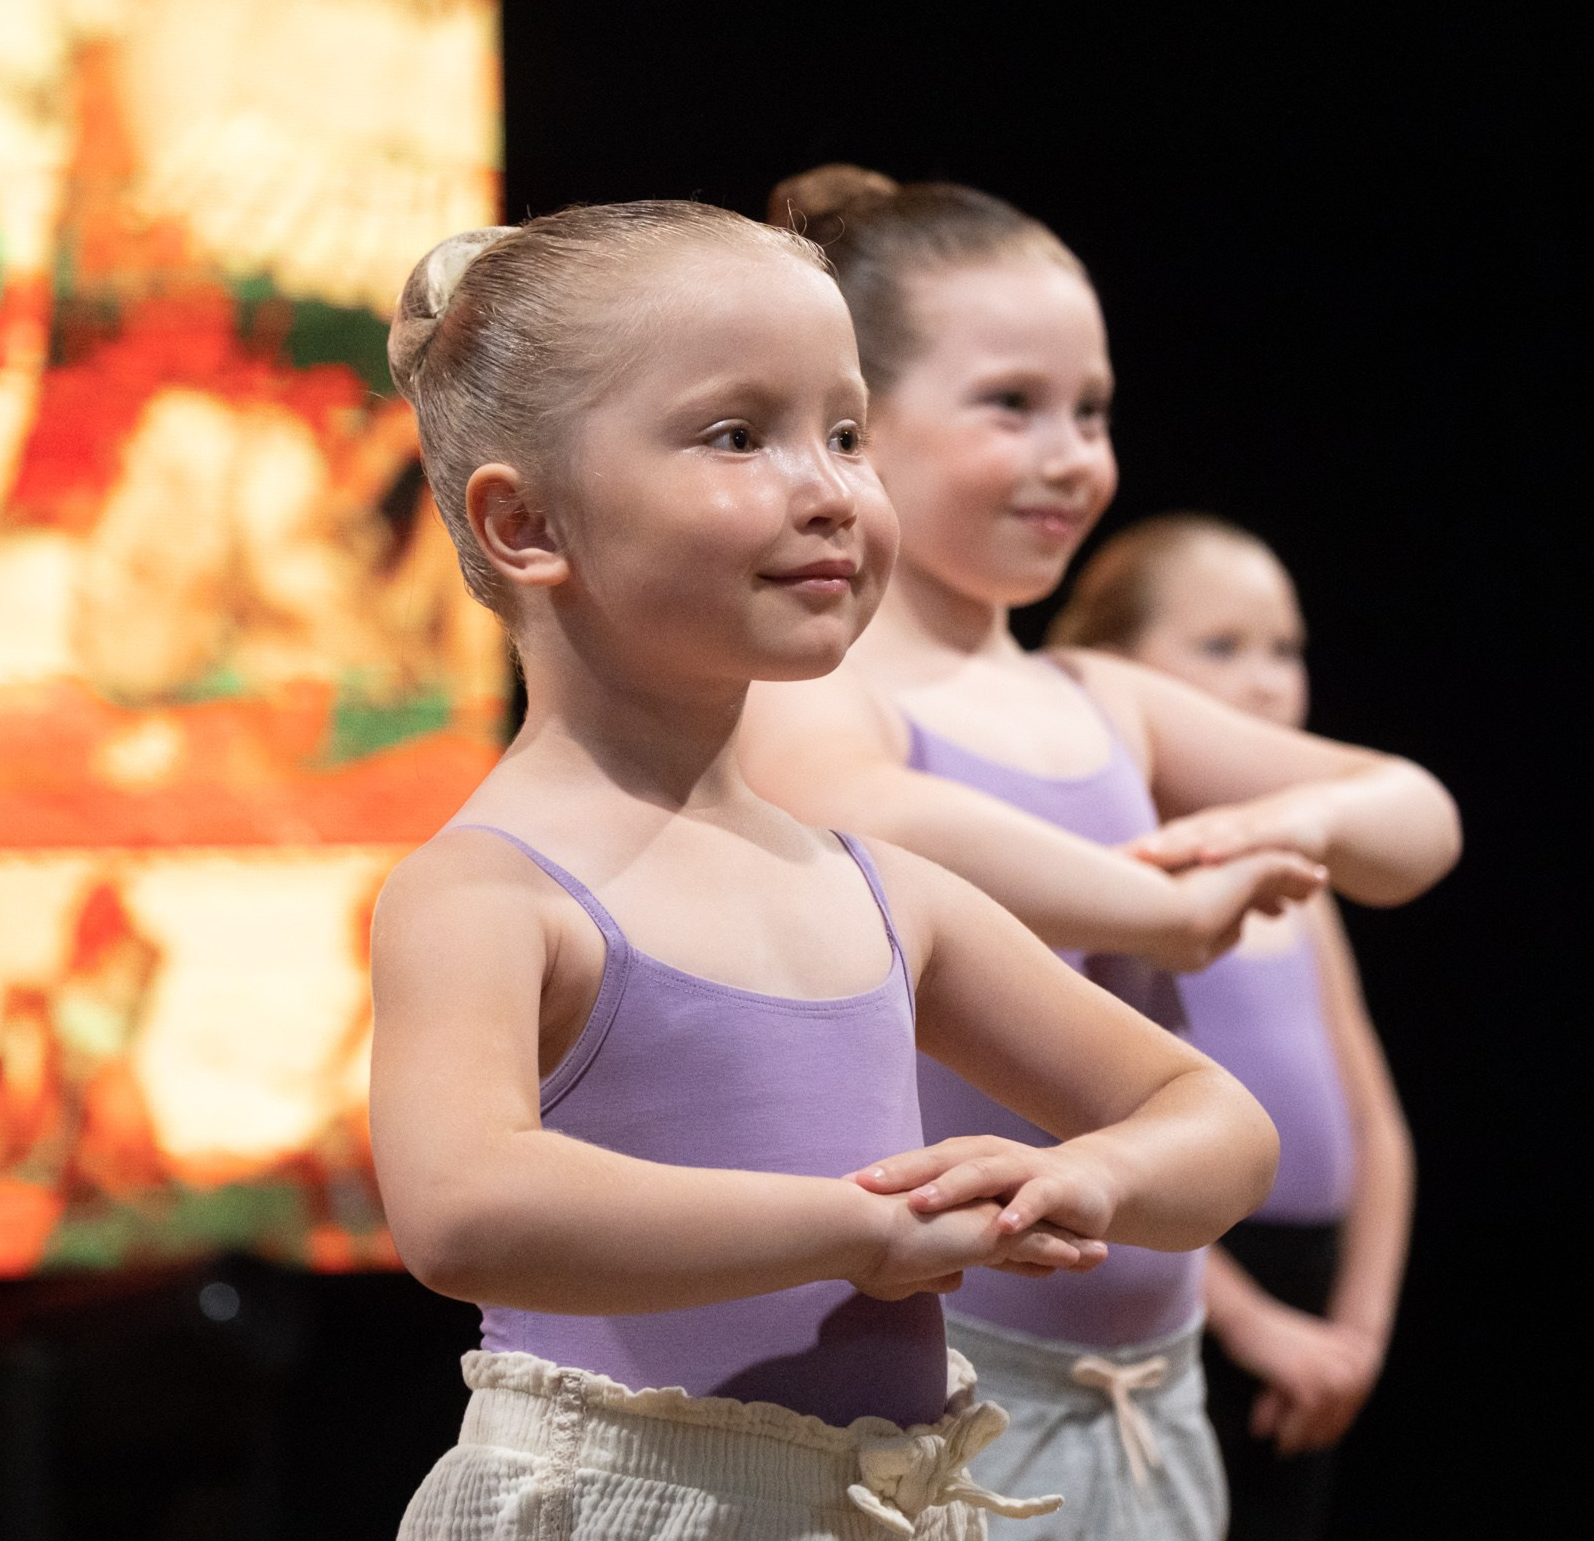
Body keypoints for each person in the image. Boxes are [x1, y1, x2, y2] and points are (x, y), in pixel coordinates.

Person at [368, 200, 1283, 1541]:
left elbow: (1216, 1123)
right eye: (738, 435)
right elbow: (464, 1208)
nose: (833, 490)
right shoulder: (489, 892)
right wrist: (854, 1230)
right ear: (525, 523)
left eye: (847, 435)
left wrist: (1091, 1179)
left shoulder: (884, 893)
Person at [741, 168, 1460, 1541]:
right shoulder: (825, 690)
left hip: (1155, 1386)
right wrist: (1154, 907)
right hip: (952, 1392)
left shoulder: (1099, 697)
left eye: (1093, 410)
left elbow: (1416, 816)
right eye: (1011, 404)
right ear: (858, 424)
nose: (1070, 454)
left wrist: (1298, 821)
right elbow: (858, 803)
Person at [1051, 514, 1414, 1540]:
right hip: (1186, 1285)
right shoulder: (1108, 882)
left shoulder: (1302, 885)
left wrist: (1357, 1334)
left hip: (1315, 1299)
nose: (1266, 683)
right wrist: (1255, 1328)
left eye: (1284, 649)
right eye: (1220, 646)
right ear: (1114, 667)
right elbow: (1081, 1128)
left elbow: (1375, 1126)